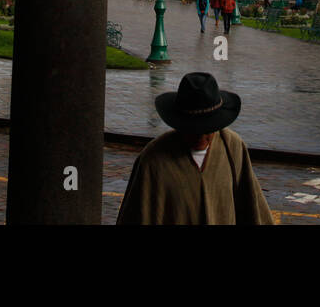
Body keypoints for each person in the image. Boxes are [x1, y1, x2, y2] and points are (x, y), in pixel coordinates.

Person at [117, 72, 274, 225]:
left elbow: (254, 210)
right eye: (193, 130)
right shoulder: (153, 160)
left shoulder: (233, 147)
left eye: (208, 130)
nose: (201, 137)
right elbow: (137, 215)